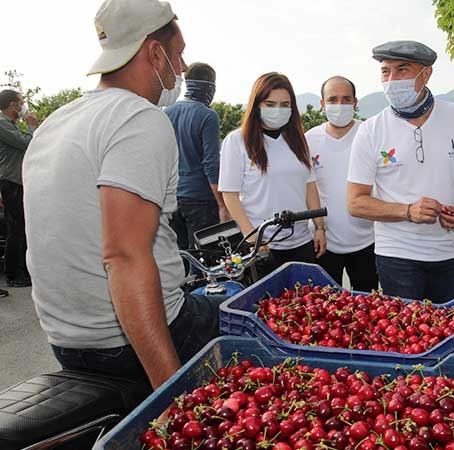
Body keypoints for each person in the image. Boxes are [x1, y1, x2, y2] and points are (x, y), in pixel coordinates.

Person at [23, 0, 223, 400]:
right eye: (178, 55)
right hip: (136, 338)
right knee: (246, 317)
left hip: (67, 340)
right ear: (155, 52)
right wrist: (173, 395)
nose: (181, 69)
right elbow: (125, 257)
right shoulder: (139, 118)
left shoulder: (56, 122)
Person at [347, 41, 454, 304]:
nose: (392, 80)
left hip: (447, 251)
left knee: (440, 330)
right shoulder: (371, 130)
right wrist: (408, 211)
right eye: (386, 72)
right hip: (396, 253)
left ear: (426, 74)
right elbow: (355, 202)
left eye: (402, 70)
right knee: (404, 335)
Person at [219, 72, 326, 276]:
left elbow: (309, 186)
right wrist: (253, 239)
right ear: (257, 105)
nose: (278, 110)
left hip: (302, 241)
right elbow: (230, 195)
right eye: (270, 104)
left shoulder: (298, 141)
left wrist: (320, 227)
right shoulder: (237, 141)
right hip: (264, 247)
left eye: (285, 105)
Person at [307, 76, 377, 291]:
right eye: (333, 99)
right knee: (326, 306)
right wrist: (319, 227)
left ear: (356, 102)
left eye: (346, 99)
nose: (339, 105)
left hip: (368, 240)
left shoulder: (370, 134)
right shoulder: (309, 140)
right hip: (323, 241)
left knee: (368, 307)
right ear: (322, 104)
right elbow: (308, 189)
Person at [165, 62, 228, 251]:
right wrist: (222, 204)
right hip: (201, 199)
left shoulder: (167, 112)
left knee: (182, 256)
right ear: (210, 87)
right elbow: (211, 163)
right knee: (205, 258)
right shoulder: (208, 116)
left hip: (173, 198)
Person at [0, 89, 36, 289]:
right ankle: (14, 274)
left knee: (20, 228)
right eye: (21, 103)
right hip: (10, 182)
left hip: (18, 182)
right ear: (13, 105)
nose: (23, 106)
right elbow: (26, 143)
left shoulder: (11, 125)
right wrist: (31, 127)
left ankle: (21, 272)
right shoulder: (2, 124)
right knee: (16, 228)